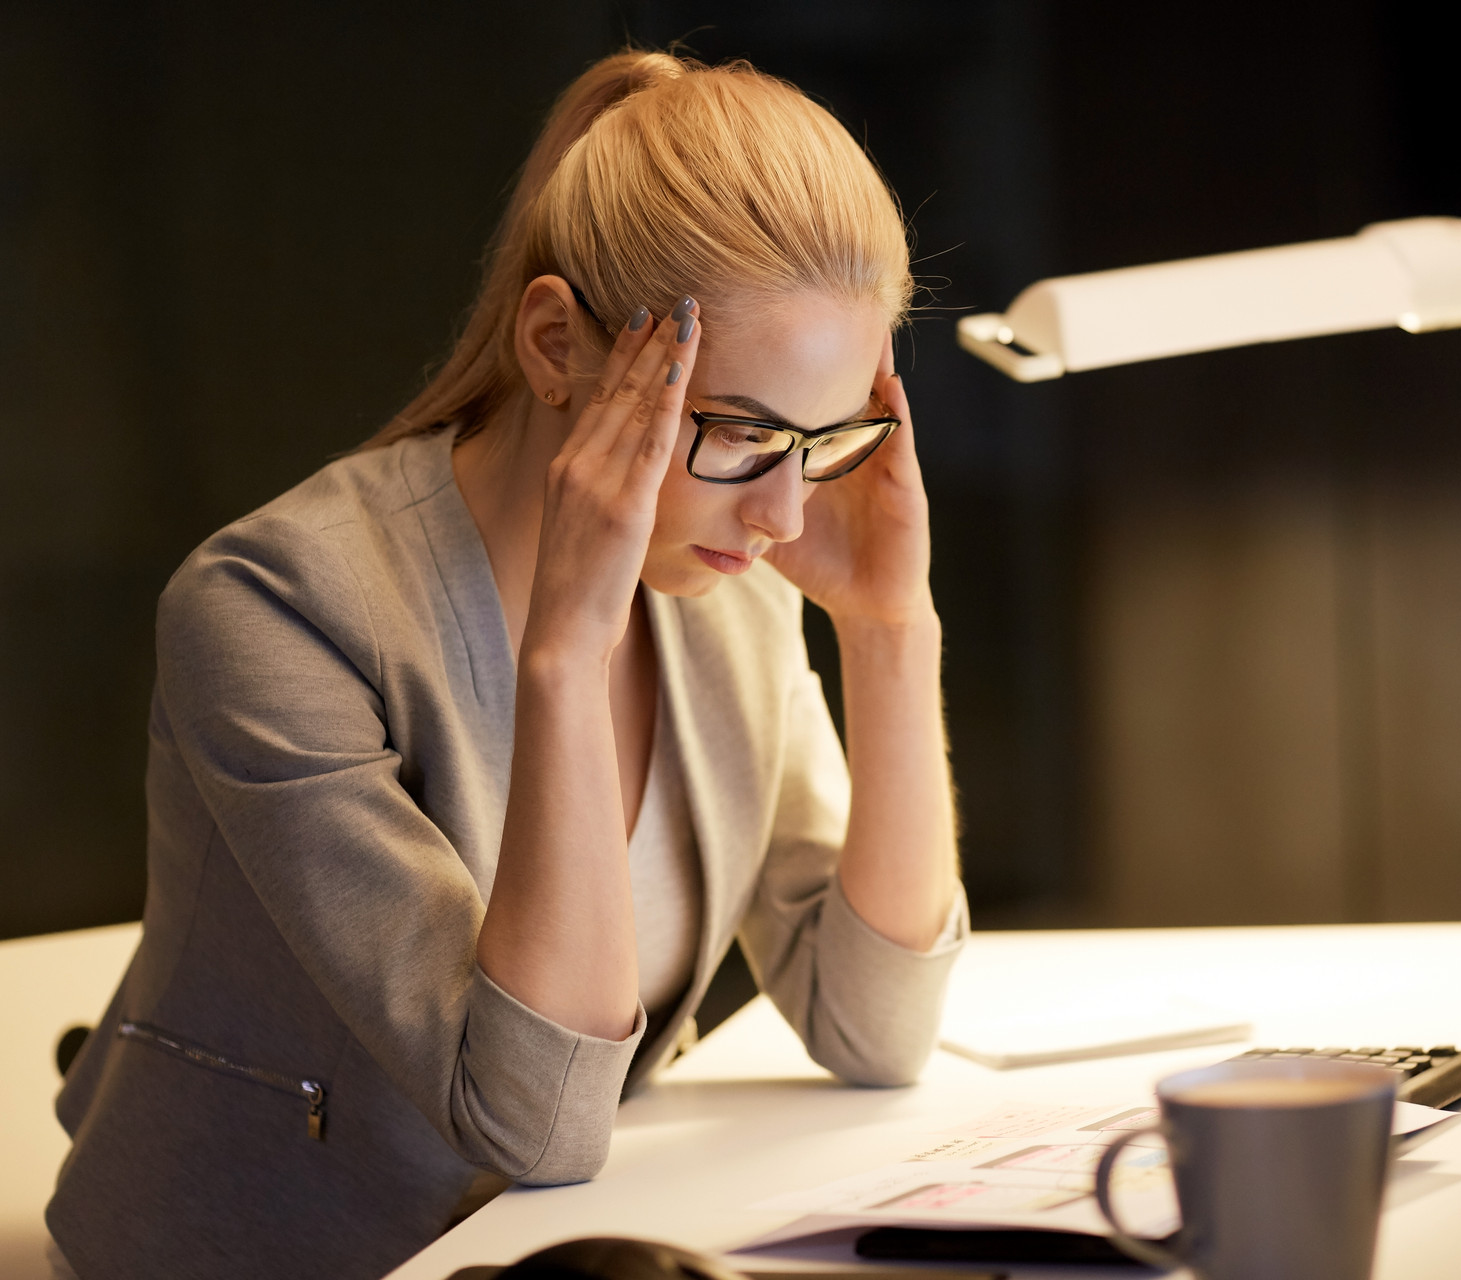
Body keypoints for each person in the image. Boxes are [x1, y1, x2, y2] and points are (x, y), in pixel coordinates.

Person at [45, 49, 964, 1280]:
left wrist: (891, 628)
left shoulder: (722, 582)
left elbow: (877, 1025)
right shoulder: (271, 608)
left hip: (544, 1247)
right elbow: (533, 1120)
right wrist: (567, 657)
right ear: (555, 344)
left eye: (825, 438)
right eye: (744, 432)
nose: (785, 514)